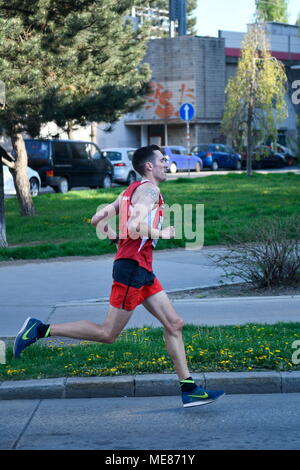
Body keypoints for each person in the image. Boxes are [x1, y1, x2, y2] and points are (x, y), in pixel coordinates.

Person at [13, 145, 225, 408]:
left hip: (142, 269)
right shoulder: (149, 190)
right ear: (149, 166)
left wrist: (115, 237)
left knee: (174, 323)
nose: (165, 163)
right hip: (132, 270)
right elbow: (135, 226)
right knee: (107, 333)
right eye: (162, 159)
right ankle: (40, 329)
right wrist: (164, 234)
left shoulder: (129, 191)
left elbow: (96, 219)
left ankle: (189, 389)